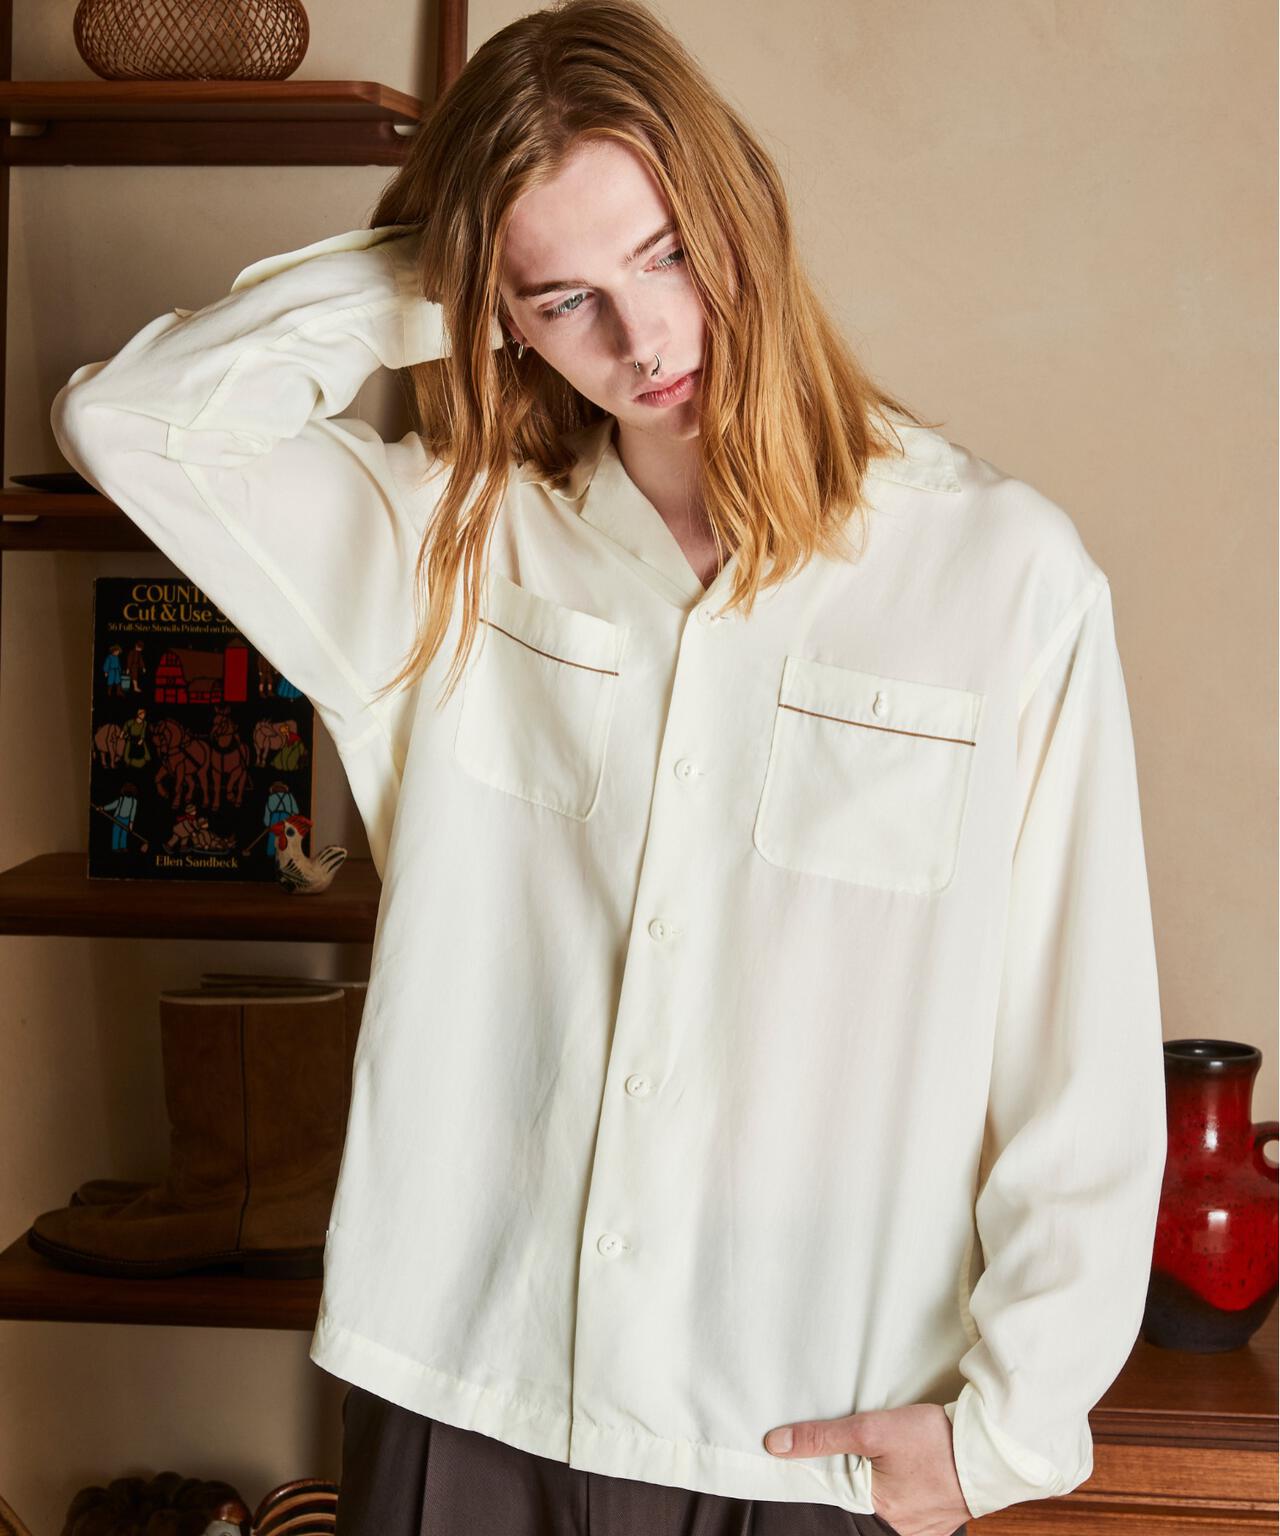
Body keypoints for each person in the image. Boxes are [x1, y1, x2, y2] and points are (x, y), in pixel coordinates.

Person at [48, 2, 1168, 1533]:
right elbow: (132, 419)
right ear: (497, 314)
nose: (644, 343)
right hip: (468, 1397)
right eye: (564, 297)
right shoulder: (447, 549)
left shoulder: (1003, 579)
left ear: (743, 211)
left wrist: (1005, 1434)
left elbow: (1078, 1045)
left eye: (667, 254)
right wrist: (436, 271)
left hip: (795, 1440)